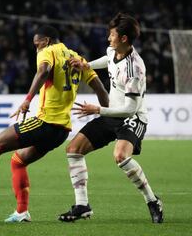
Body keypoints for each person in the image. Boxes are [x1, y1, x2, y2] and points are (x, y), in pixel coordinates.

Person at [0, 25, 109, 222]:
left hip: (45, 122)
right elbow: (101, 89)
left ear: (47, 40)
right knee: (18, 161)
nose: (36, 49)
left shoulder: (48, 51)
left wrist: (27, 99)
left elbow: (43, 71)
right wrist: (108, 116)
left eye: (37, 44)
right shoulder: (78, 58)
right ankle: (22, 212)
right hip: (62, 130)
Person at [58, 13, 164, 223]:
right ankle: (82, 206)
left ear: (124, 38)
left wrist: (98, 110)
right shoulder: (113, 51)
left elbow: (129, 110)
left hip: (132, 117)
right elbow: (108, 60)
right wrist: (87, 64)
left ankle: (152, 201)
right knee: (73, 150)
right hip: (112, 113)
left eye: (112, 35)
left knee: (121, 156)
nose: (109, 38)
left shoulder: (135, 69)